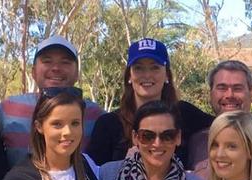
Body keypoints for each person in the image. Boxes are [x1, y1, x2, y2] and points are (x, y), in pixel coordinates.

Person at [86, 37, 213, 166]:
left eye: (154, 68)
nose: (147, 75)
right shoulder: (108, 124)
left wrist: (203, 163)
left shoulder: (184, 113)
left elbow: (224, 125)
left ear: (167, 75)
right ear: (129, 76)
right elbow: (92, 173)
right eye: (138, 68)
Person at [0, 35, 104, 166]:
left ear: (77, 74)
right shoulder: (7, 109)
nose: (56, 68)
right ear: (34, 72)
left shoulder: (96, 115)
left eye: (65, 62)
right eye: (47, 61)